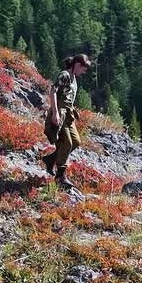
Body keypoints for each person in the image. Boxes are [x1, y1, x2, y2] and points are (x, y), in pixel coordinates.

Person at [42, 53, 93, 189]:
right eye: (83, 68)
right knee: (67, 143)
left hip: (68, 115)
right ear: (77, 65)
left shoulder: (73, 77)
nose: (84, 71)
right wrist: (55, 113)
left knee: (76, 141)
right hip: (60, 114)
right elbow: (53, 91)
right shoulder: (64, 75)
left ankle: (51, 159)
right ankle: (60, 176)